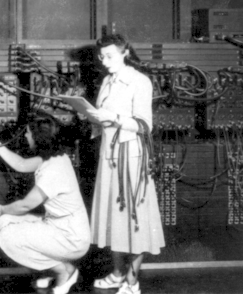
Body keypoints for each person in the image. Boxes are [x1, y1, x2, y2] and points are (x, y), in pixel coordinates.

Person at [84, 34, 165, 294]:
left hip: (131, 158)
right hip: (108, 157)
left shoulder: (139, 82)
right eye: (101, 57)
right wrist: (90, 116)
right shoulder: (107, 81)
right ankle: (118, 273)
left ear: (125, 53)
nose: (104, 61)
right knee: (113, 218)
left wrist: (113, 117)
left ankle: (132, 281)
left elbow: (144, 125)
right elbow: (103, 120)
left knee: (136, 220)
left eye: (109, 56)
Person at [0, 115, 90, 294]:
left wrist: (0, 209)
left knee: (8, 236)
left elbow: (24, 205)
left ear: (39, 138)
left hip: (71, 238)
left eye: (29, 133)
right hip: (61, 228)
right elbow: (21, 164)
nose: (26, 136)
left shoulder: (53, 170)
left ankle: (64, 271)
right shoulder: (55, 157)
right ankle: (55, 269)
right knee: (5, 220)